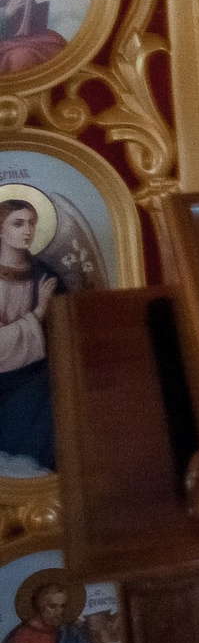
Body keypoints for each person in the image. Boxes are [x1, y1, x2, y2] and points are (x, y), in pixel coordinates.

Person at [0, 198, 62, 472]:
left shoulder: (47, 277)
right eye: (18, 223)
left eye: (32, 223)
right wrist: (37, 314)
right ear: (0, 230)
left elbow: (64, 336)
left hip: (33, 380)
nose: (27, 230)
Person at [0, 0, 76, 76]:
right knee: (21, 58)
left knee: (57, 48)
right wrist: (6, 12)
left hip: (27, 35)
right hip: (6, 43)